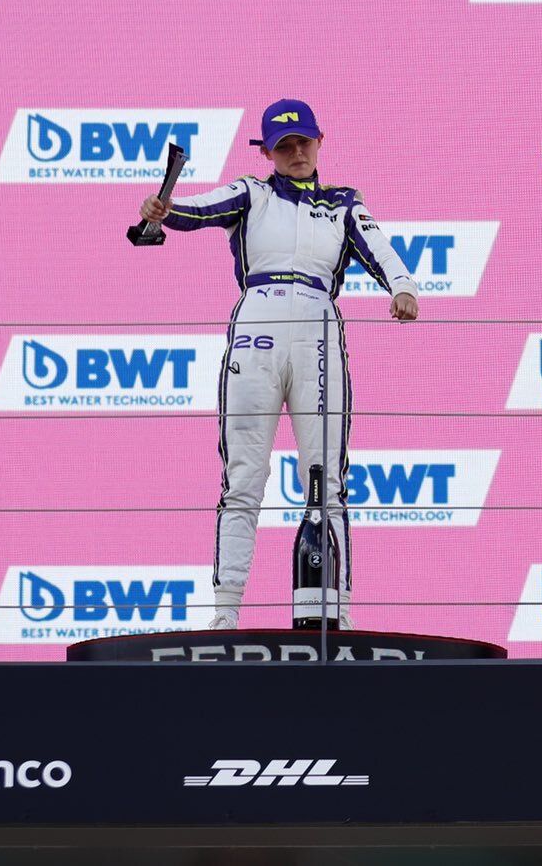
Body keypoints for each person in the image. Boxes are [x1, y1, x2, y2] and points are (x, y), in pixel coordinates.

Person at [138, 99, 418, 629]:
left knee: (328, 482)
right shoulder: (252, 191)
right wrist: (164, 210)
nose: (295, 153)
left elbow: (383, 252)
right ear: (266, 151)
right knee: (243, 477)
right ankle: (224, 615)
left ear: (319, 143)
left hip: (318, 328)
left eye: (303, 143)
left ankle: (336, 614)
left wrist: (402, 288)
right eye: (283, 146)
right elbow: (197, 209)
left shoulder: (344, 202)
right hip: (257, 326)